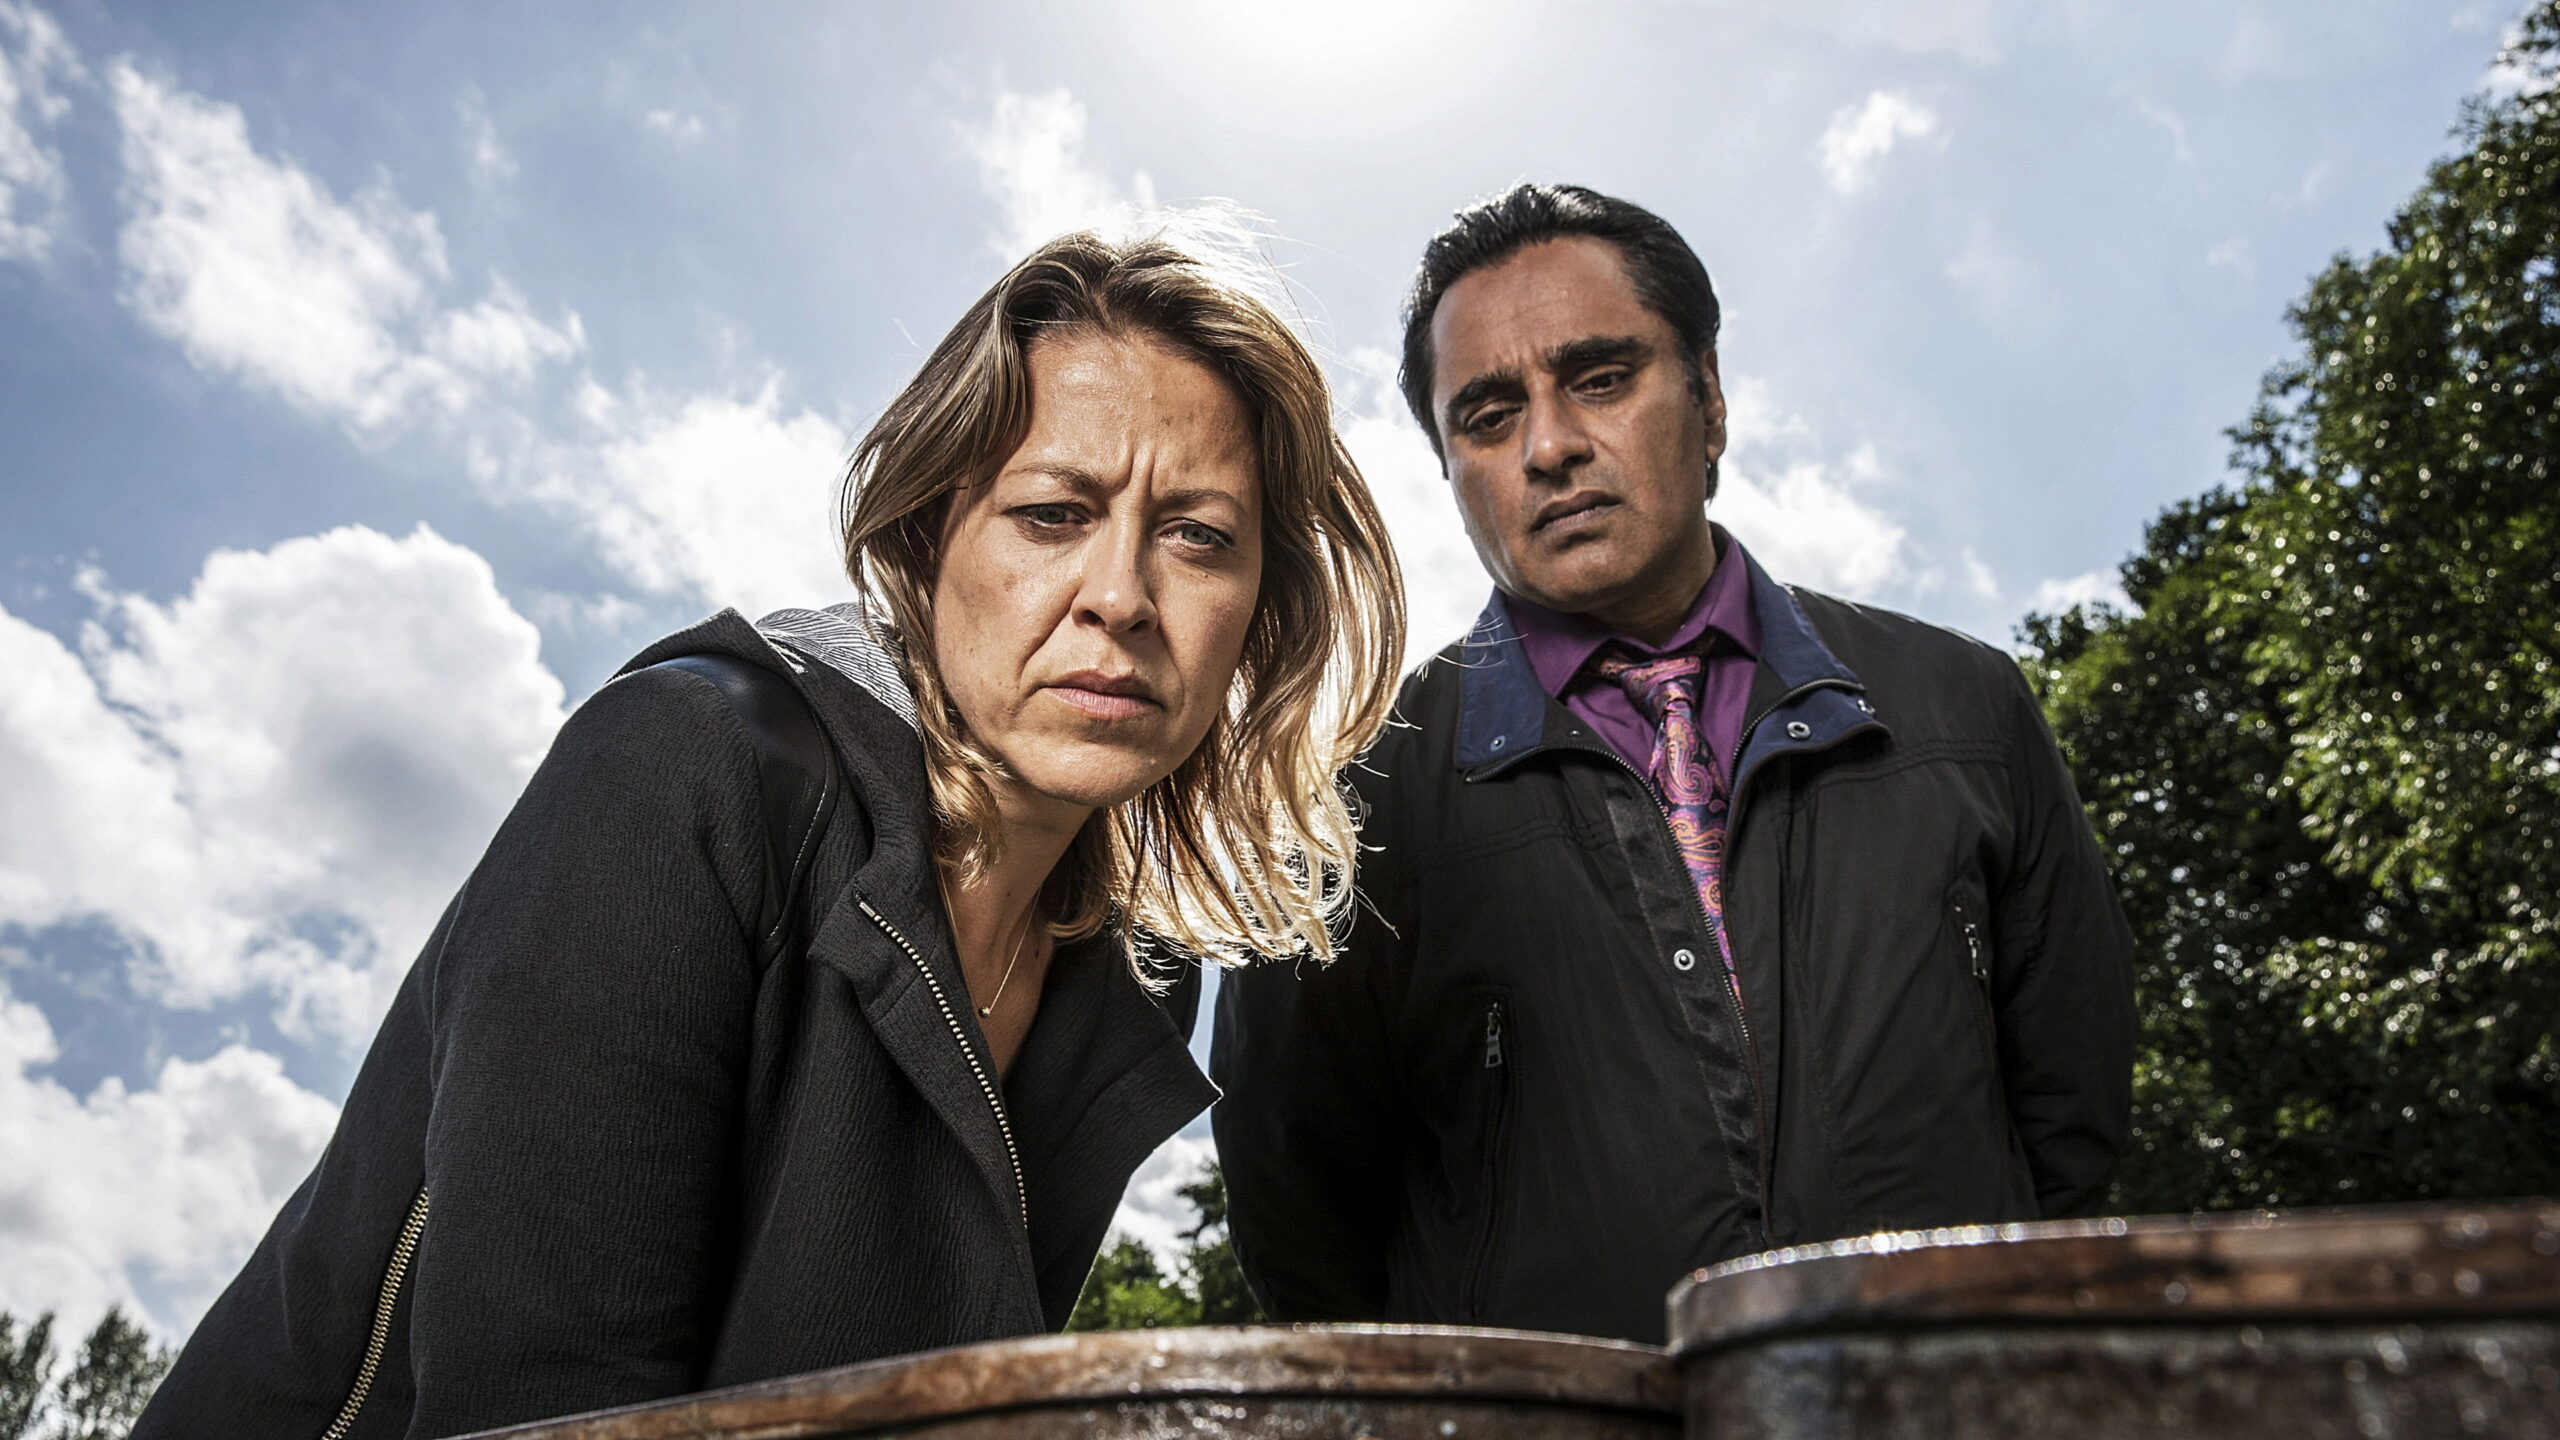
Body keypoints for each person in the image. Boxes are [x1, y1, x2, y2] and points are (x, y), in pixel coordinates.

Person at [136, 227, 1403, 1438]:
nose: (1120, 597)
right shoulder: (684, 766)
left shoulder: (1131, 978)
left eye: (1197, 537)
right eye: (1051, 513)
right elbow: (548, 1414)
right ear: (930, 537)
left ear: (1257, 610)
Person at [1213, 183, 2136, 1345]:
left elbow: (2068, 1117)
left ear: (1709, 399)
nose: (1550, 446)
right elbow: (1303, 1225)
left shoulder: (1964, 704)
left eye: (1600, 378)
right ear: (1448, 467)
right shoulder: (1350, 808)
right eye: (1488, 417)